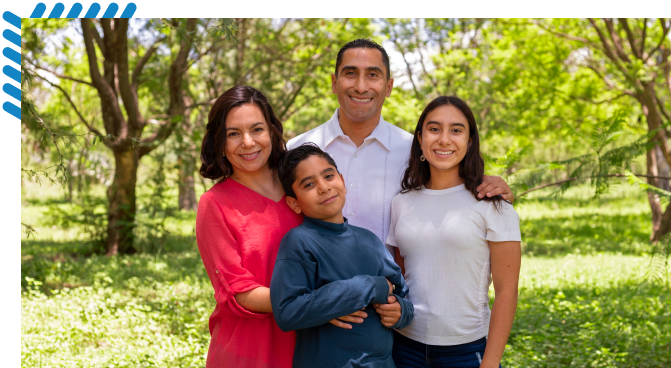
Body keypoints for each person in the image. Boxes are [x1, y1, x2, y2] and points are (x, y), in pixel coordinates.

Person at [287, 38, 515, 327]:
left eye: (373, 74)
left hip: (394, 314)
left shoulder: (416, 153)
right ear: (334, 82)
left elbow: (454, 184)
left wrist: (490, 185)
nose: (360, 85)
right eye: (349, 73)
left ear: (389, 86)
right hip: (319, 314)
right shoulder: (297, 150)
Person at [196, 86, 361, 368]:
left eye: (257, 129)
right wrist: (318, 303)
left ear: (272, 130)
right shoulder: (215, 204)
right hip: (251, 350)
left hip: (316, 345)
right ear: (219, 142)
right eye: (233, 133)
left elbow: (337, 239)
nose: (248, 142)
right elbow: (239, 292)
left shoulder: (300, 183)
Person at [387, 96, 521, 368]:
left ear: (470, 141)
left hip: (466, 351)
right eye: (434, 129)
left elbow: (507, 291)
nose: (444, 139)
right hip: (405, 347)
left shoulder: (494, 206)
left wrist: (491, 362)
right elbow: (402, 277)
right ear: (420, 138)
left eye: (456, 130)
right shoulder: (401, 202)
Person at [270, 143, 414, 367]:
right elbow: (288, 311)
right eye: (308, 184)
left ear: (343, 182)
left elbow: (402, 294)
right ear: (294, 203)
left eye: (329, 176)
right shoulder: (300, 242)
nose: (324, 187)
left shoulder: (369, 241)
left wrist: (399, 311)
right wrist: (365, 289)